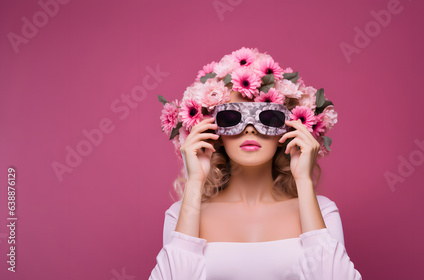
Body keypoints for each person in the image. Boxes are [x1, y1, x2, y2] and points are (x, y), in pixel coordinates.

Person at [149, 47, 362, 279]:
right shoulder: (180, 215)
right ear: (212, 130)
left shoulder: (322, 211)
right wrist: (194, 183)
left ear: (291, 127)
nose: (250, 128)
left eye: (269, 116)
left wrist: (303, 180)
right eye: (231, 117)